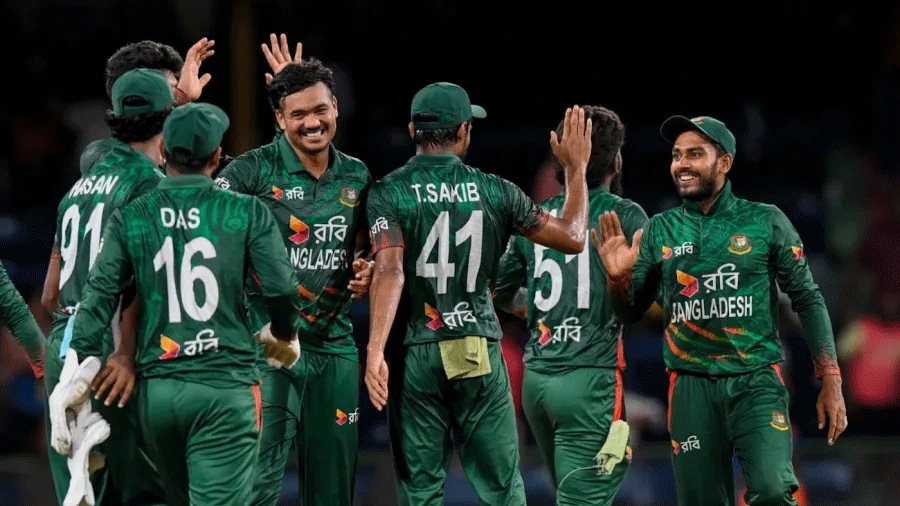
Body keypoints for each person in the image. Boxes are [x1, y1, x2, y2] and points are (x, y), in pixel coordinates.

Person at [52, 102, 303, 506]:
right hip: (223, 388)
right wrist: (284, 332)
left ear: (165, 153)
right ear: (217, 157)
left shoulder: (133, 216)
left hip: (159, 396)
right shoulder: (245, 210)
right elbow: (283, 290)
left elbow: (99, 294)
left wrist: (76, 366)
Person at [594, 115, 848, 506]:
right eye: (677, 155)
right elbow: (630, 311)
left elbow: (808, 298)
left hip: (756, 381)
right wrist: (618, 280)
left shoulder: (765, 221)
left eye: (695, 154)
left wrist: (830, 378)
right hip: (690, 387)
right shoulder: (660, 229)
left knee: (774, 490)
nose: (682, 164)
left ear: (724, 162)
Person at [364, 82, 593, 506]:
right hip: (475, 347)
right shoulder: (496, 191)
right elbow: (573, 237)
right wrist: (576, 170)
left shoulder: (387, 192)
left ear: (413, 130)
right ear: (464, 131)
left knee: (420, 492)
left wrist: (375, 350)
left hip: (416, 352)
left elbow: (390, 270)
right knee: (503, 490)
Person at [214, 48, 373, 506]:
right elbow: (205, 221)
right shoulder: (250, 172)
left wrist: (365, 266)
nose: (312, 122)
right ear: (280, 120)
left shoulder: (357, 174)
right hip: (269, 343)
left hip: (335, 346)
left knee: (333, 488)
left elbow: (364, 246)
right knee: (258, 482)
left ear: (336, 107)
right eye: (298, 114)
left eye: (320, 109)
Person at [494, 106, 646, 505]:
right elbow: (647, 300)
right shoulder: (626, 215)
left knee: (572, 492)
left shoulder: (536, 219)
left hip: (538, 384)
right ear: (616, 161)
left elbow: (496, 288)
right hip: (588, 381)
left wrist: (527, 305)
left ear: (560, 159)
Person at [43, 68, 177, 506]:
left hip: (63, 345)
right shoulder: (151, 184)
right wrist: (125, 352)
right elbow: (140, 278)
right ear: (168, 119)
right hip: (113, 345)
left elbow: (49, 294)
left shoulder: (77, 190)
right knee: (144, 492)